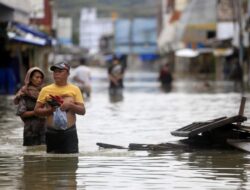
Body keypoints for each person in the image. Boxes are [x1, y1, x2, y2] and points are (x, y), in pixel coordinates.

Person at [34, 61, 85, 154]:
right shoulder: (45, 90)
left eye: (60, 71)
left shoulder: (75, 89)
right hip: (51, 133)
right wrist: (50, 110)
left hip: (69, 132)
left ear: (68, 73)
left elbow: (82, 111)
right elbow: (36, 110)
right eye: (55, 71)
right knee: (51, 163)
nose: (56, 74)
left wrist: (70, 105)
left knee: (71, 163)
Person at [14, 67, 46, 146]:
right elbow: (21, 113)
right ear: (30, 79)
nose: (39, 80)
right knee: (30, 155)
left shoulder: (45, 92)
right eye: (37, 77)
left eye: (41, 77)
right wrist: (36, 112)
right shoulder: (24, 93)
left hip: (44, 129)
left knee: (43, 152)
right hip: (30, 130)